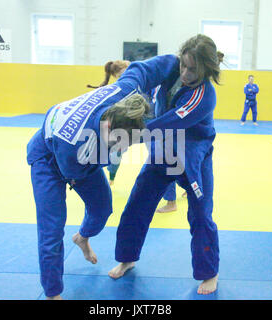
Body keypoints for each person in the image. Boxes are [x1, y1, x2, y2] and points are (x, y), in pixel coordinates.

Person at [27, 54, 180, 300]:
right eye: (120, 144)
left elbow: (145, 68)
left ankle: (82, 238)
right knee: (52, 228)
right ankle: (52, 293)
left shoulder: (125, 91)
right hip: (49, 157)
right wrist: (105, 155)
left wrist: (180, 61)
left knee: (102, 209)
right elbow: (73, 173)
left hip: (83, 150)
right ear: (108, 127)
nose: (123, 150)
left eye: (127, 144)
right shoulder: (75, 143)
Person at [108, 34, 224, 295]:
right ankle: (127, 257)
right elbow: (142, 70)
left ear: (206, 69)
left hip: (192, 157)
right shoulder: (170, 65)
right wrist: (123, 89)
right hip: (162, 153)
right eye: (183, 65)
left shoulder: (205, 95)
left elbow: (172, 120)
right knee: (137, 203)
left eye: (193, 69)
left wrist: (131, 133)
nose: (185, 72)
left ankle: (209, 272)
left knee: (201, 215)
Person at [89, 60, 184, 210]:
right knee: (116, 149)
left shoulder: (146, 80)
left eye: (126, 73)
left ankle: (172, 201)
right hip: (135, 125)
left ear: (129, 67)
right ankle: (111, 176)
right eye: (120, 76)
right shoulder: (126, 86)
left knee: (163, 157)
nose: (126, 77)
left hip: (152, 123)